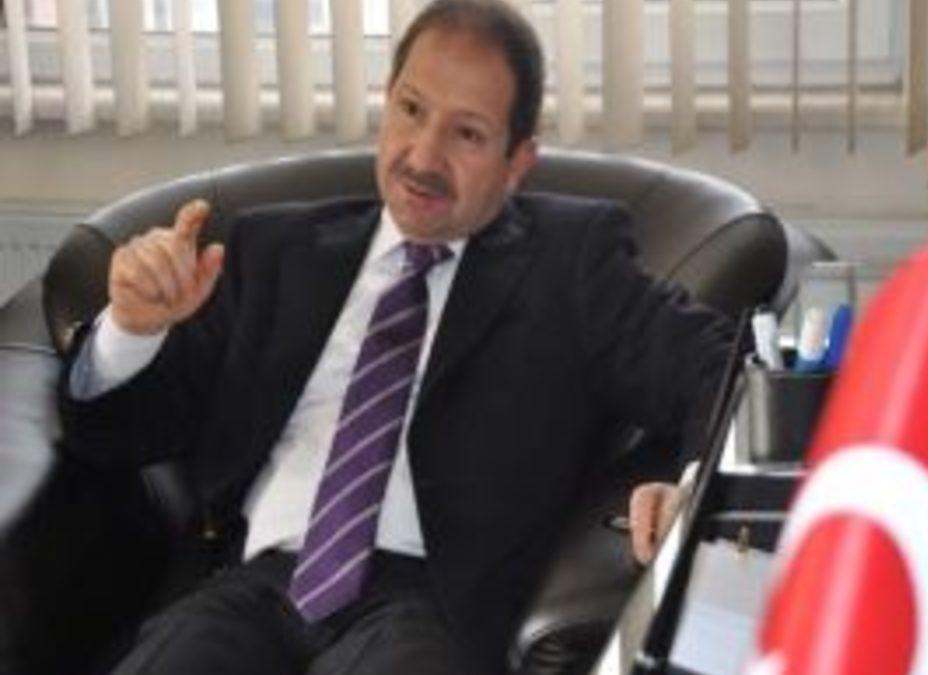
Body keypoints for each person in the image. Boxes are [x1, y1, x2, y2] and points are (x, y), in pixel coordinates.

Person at [59, 1, 733, 673]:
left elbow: (720, 368)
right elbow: (118, 434)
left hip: (430, 606)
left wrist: (691, 486)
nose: (424, 155)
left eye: (467, 134)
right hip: (248, 590)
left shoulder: (569, 264)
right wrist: (132, 328)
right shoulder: (275, 250)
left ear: (517, 161)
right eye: (411, 109)